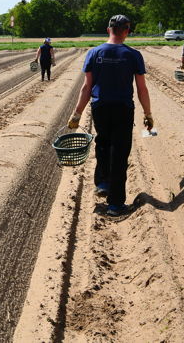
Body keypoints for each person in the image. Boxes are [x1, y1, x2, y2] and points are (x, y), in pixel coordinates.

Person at [68, 15, 153, 218]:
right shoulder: (133, 55)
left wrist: (77, 113)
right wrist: (148, 113)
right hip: (123, 108)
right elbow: (142, 89)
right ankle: (115, 205)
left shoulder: (94, 53)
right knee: (120, 152)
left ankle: (103, 183)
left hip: (100, 107)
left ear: (108, 30)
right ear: (126, 31)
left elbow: (87, 87)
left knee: (103, 143)